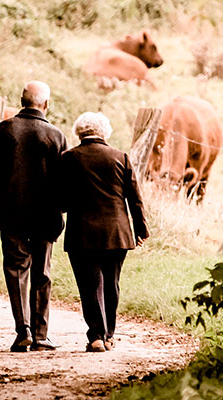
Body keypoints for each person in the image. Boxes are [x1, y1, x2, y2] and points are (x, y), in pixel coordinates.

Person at [0, 81, 66, 352]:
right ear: (46, 105)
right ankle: (41, 335)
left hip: (10, 215)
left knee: (16, 270)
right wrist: (61, 211)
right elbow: (64, 183)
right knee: (42, 273)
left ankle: (23, 331)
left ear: (21, 100)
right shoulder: (55, 135)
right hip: (46, 216)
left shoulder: (4, 131)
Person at [59, 112, 149, 352]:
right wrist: (140, 229)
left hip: (82, 233)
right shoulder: (121, 157)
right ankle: (108, 335)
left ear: (79, 132)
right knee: (112, 283)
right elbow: (135, 199)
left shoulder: (68, 158)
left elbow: (61, 201)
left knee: (90, 285)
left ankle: (96, 336)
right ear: (104, 132)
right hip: (117, 232)